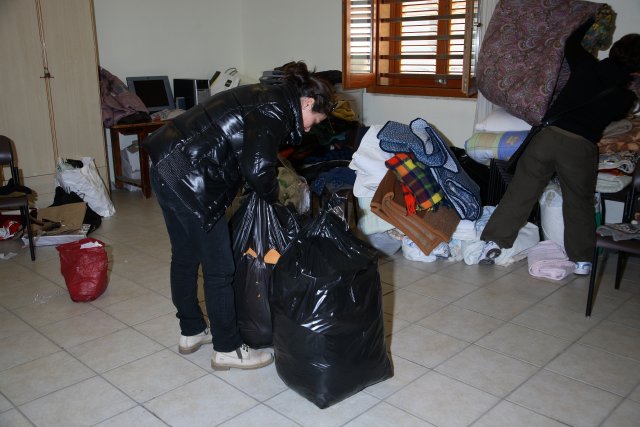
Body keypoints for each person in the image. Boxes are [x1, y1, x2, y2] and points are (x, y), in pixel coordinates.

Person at [143, 61, 335, 370]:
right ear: (308, 103)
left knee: (185, 256)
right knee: (220, 268)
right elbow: (258, 169)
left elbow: (244, 151)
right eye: (314, 120)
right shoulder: (276, 110)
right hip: (190, 179)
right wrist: (275, 199)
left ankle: (192, 330)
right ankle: (228, 348)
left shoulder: (267, 96)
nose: (310, 127)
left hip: (167, 165)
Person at [479, 22, 640, 274]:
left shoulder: (586, 66)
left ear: (615, 49)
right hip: (579, 148)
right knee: (578, 203)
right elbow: (616, 115)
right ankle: (582, 260)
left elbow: (570, 43)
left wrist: (588, 20)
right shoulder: (626, 98)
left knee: (520, 193)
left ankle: (493, 243)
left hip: (547, 139)